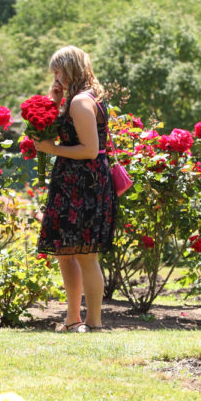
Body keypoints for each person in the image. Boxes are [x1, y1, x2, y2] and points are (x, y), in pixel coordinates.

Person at [32, 46, 116, 332]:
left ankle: (93, 323)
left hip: (84, 183)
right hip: (72, 181)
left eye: (58, 71)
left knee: (85, 254)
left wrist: (51, 149)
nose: (55, 77)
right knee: (66, 252)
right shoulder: (78, 98)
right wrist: (54, 103)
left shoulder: (81, 101)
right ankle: (72, 320)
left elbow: (90, 150)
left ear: (71, 70)